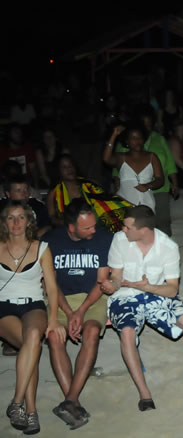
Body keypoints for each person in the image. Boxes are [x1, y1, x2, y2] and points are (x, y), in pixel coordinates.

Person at [101, 205, 183, 411]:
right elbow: (117, 276)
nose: (123, 230)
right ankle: (144, 394)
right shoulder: (120, 240)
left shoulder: (168, 247)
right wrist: (113, 284)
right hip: (126, 296)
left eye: (128, 227)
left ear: (144, 230)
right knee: (128, 333)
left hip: (156, 293)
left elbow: (172, 290)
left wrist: (147, 286)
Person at [45, 201, 113, 429]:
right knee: (55, 336)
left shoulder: (103, 238)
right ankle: (72, 400)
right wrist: (67, 312)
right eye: (87, 228)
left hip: (92, 297)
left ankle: (70, 400)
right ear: (71, 228)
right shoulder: (51, 242)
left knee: (92, 331)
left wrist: (81, 311)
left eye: (94, 225)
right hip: (61, 299)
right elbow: (51, 285)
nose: (94, 230)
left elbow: (102, 282)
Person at [0, 201, 65, 434]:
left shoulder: (42, 248)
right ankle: (31, 411)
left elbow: (52, 287)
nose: (16, 223)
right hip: (3, 308)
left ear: (29, 221)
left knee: (33, 338)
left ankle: (16, 403)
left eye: (21, 217)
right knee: (32, 346)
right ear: (4, 222)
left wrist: (55, 319)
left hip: (33, 305)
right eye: (10, 217)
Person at [111, 109, 179, 236]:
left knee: (161, 223)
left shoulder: (159, 139)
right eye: (144, 123)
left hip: (158, 189)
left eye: (149, 123)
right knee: (131, 228)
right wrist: (116, 180)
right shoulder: (125, 143)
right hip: (129, 194)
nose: (147, 126)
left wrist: (174, 182)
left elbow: (169, 162)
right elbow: (117, 166)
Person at [47, 154, 131, 233]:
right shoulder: (54, 193)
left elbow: (110, 200)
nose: (69, 169)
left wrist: (131, 206)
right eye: (64, 167)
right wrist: (69, 222)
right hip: (71, 232)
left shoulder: (90, 184)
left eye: (71, 165)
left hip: (100, 228)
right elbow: (51, 217)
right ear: (58, 170)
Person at [103, 124, 165, 211]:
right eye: (133, 138)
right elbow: (106, 159)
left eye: (140, 138)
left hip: (146, 204)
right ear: (127, 141)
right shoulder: (121, 157)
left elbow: (160, 180)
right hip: (124, 203)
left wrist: (148, 185)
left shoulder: (152, 156)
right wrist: (114, 135)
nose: (137, 141)